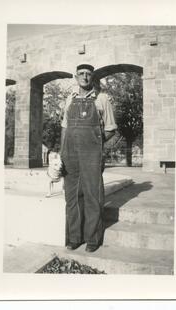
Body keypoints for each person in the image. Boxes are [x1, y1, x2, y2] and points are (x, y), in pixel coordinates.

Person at [60, 64, 117, 252]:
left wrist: (96, 144)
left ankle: (92, 239)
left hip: (91, 154)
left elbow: (110, 129)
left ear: (92, 78)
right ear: (76, 77)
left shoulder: (102, 99)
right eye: (81, 74)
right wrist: (61, 154)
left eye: (88, 74)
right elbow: (65, 128)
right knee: (73, 197)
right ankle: (74, 238)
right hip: (70, 155)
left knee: (93, 196)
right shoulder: (69, 99)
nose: (85, 77)